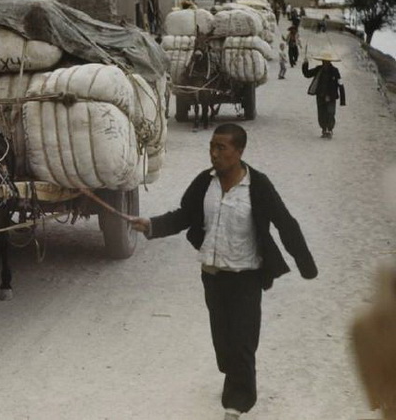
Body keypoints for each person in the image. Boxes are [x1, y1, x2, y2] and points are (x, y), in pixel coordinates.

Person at [129, 123, 317, 420]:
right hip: (213, 275)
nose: (214, 154)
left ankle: (236, 404)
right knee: (224, 341)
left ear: (239, 152)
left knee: (243, 341)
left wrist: (306, 265)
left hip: (247, 276)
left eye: (222, 148)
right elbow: (184, 215)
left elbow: (285, 222)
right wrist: (151, 225)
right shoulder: (205, 182)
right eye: (212, 147)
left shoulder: (258, 185)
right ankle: (234, 374)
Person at [302, 52, 346, 138]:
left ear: (329, 62)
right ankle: (324, 129)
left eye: (326, 61)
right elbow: (307, 74)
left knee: (330, 113)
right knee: (321, 114)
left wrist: (342, 100)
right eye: (323, 61)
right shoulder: (319, 69)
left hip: (331, 96)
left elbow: (340, 84)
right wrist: (305, 64)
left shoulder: (335, 71)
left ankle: (329, 129)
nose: (324, 63)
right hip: (320, 96)